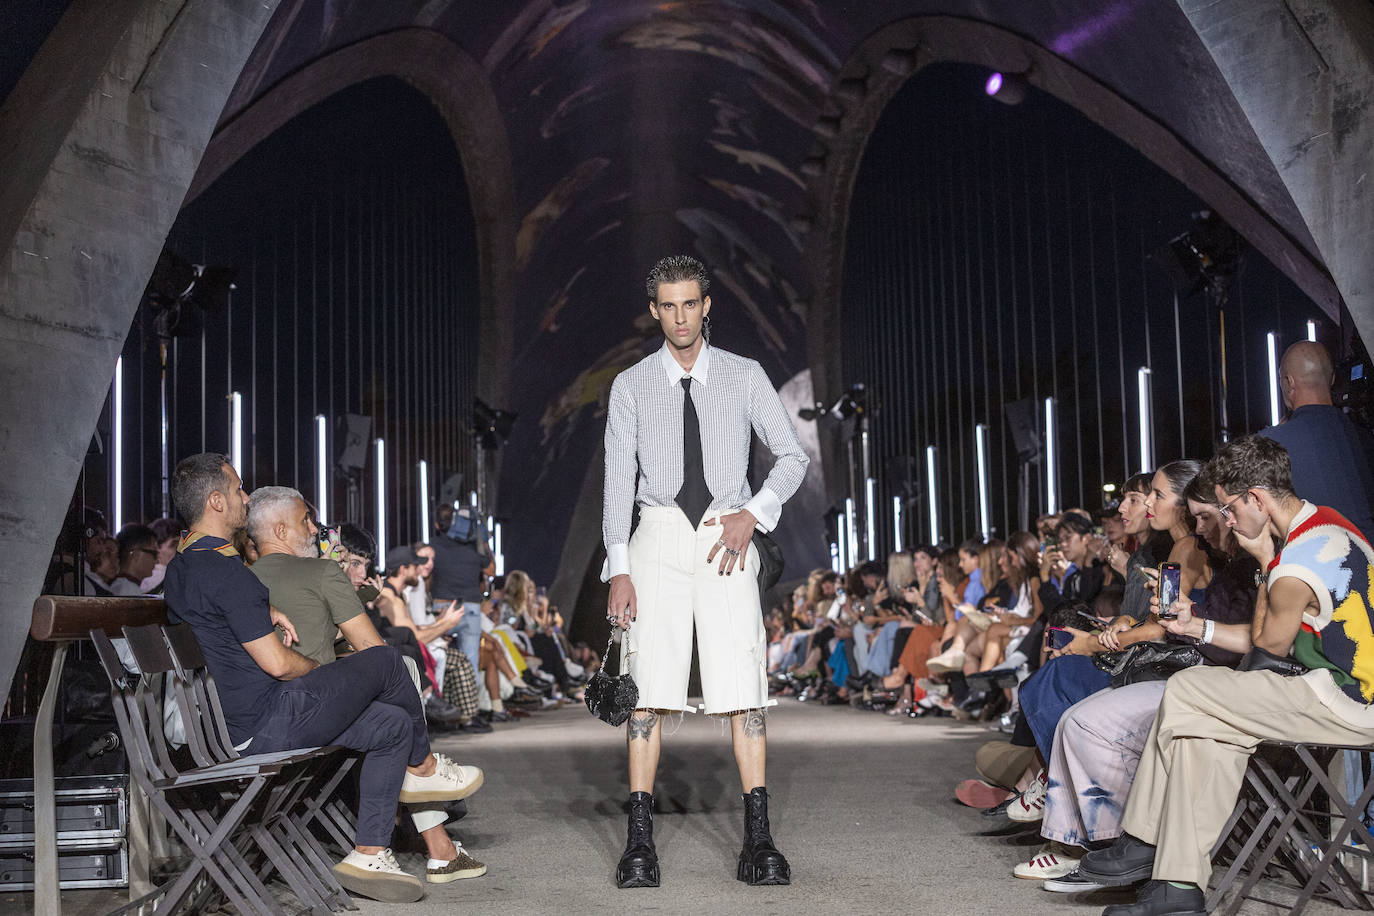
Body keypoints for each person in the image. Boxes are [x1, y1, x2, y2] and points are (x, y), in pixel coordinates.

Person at [163, 453, 483, 903]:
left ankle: (369, 851)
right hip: (266, 722)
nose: (245, 496)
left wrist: (265, 608)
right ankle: (424, 768)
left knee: (391, 725)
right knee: (387, 662)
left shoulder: (185, 566)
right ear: (215, 501)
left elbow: (213, 614)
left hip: (231, 723)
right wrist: (320, 672)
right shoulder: (226, 573)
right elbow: (278, 663)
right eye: (237, 489)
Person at [1079, 435, 1374, 915]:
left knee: (1189, 687)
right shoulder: (1331, 525)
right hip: (1337, 687)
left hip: (1348, 701)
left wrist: (1262, 561)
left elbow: (1265, 653)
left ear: (1257, 498)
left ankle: (1147, 842)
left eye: (1230, 509)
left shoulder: (1292, 564)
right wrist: (1197, 625)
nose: (1227, 522)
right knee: (1206, 730)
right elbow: (1266, 643)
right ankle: (1177, 888)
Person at [603, 255, 809, 888]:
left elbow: (792, 456)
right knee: (648, 694)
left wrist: (754, 513)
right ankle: (640, 845)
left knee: (743, 687)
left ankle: (759, 841)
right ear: (654, 310)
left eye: (690, 303)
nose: (680, 316)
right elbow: (617, 484)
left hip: (726, 532)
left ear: (707, 305)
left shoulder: (745, 377)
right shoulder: (631, 384)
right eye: (668, 305)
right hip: (658, 534)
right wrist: (618, 568)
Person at [246, 486, 486, 883]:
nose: (315, 529)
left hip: (258, 716)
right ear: (282, 529)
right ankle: (425, 780)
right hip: (300, 715)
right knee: (395, 666)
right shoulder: (320, 572)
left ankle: (371, 852)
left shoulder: (245, 581)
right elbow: (372, 652)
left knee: (394, 721)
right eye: (307, 520)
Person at [1260, 339, 1374, 542]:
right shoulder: (1364, 438)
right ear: (1331, 380)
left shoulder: (1270, 445)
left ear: (1289, 382)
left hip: (1318, 566)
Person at [109, 524, 159, 596]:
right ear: (136, 555)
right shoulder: (128, 591)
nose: (157, 561)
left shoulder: (122, 586)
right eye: (154, 554)